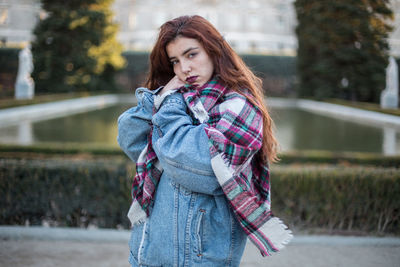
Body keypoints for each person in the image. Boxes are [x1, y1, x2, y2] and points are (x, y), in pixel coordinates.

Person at [118, 15, 292, 267]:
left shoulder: (239, 107)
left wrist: (169, 106)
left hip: (199, 259)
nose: (183, 69)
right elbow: (130, 137)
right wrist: (165, 96)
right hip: (148, 254)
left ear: (214, 52)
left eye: (191, 55)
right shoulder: (178, 100)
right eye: (175, 61)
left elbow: (198, 168)